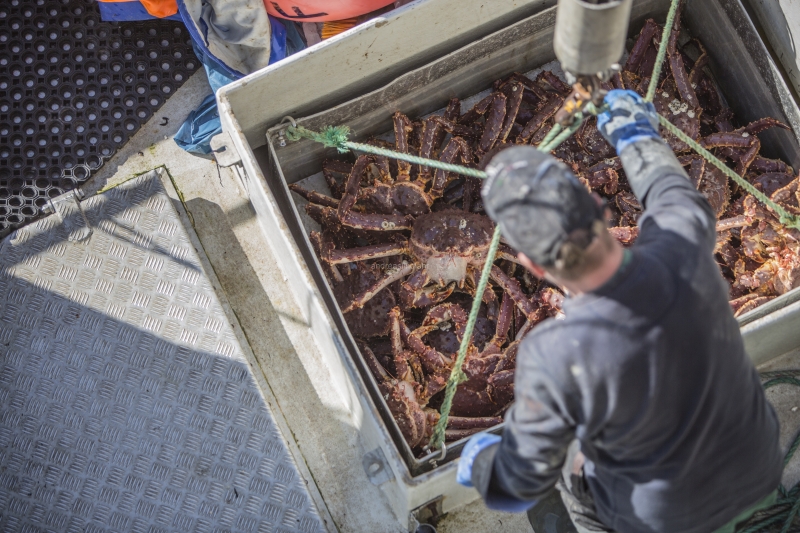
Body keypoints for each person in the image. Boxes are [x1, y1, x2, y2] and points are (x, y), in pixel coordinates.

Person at [455, 90, 783, 533]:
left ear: (532, 264)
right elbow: (667, 187)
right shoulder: (682, 245)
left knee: (572, 464)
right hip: (758, 466)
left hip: (663, 521)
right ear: (597, 206)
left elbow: (516, 488)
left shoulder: (555, 356)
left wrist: (481, 464)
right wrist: (634, 133)